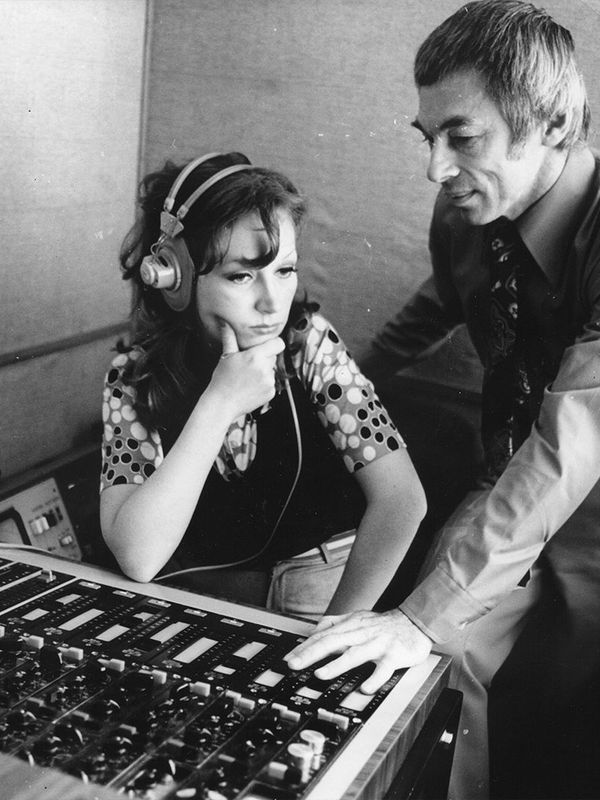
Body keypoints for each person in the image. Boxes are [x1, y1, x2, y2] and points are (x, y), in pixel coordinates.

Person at [285, 2, 600, 798]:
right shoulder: (467, 209)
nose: (435, 168)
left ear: (554, 125)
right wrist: (333, 388)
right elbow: (442, 303)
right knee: (432, 668)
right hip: (509, 474)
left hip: (583, 486)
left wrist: (424, 615)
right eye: (427, 137)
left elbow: (574, 441)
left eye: (462, 137)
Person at [99, 151, 426, 621]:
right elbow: (140, 557)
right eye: (241, 276)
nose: (272, 302)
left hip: (321, 582)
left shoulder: (311, 342)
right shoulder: (132, 377)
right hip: (204, 597)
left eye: (284, 271)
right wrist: (219, 402)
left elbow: (403, 501)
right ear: (176, 279)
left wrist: (333, 630)